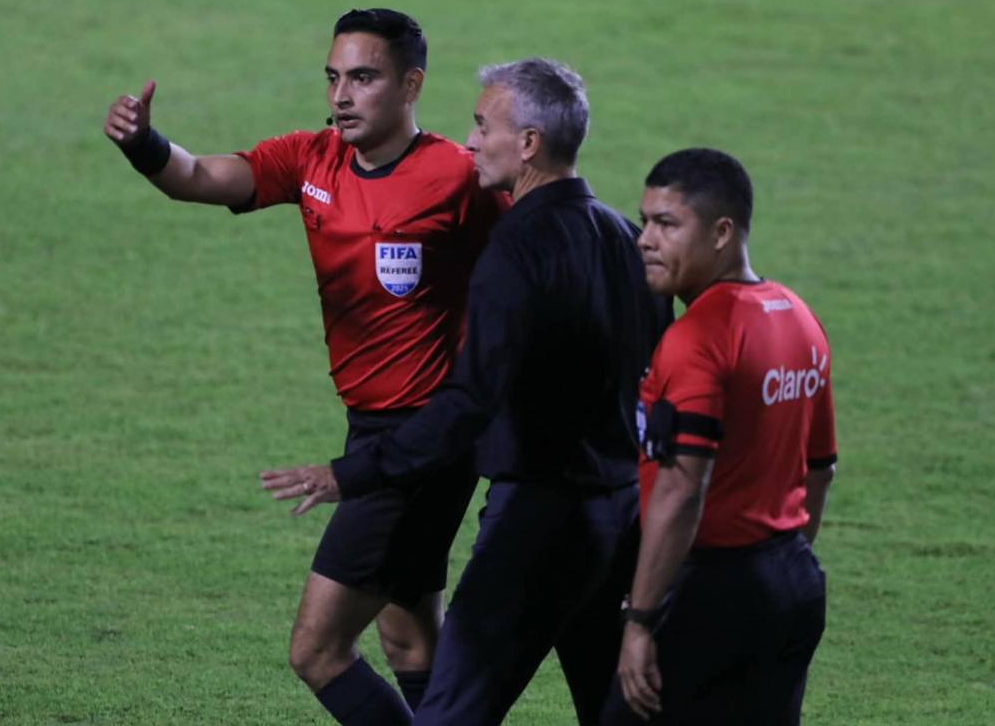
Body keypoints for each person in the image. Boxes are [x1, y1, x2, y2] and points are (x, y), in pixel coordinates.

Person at [104, 8, 506, 725]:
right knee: (409, 639)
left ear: (411, 84)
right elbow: (199, 176)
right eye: (333, 78)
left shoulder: (456, 177)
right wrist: (144, 143)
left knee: (317, 651)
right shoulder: (312, 158)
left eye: (363, 78)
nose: (341, 95)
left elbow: (547, 240)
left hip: (422, 442)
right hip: (373, 428)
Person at [262, 57, 672, 725]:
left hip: (537, 520)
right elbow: (656, 381)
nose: (471, 142)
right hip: (621, 519)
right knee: (612, 711)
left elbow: (469, 401)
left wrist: (353, 472)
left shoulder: (514, 245)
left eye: (483, 126)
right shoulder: (626, 238)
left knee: (453, 713)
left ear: (530, 143)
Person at [601, 148, 837, 725]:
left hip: (713, 588)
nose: (644, 240)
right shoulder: (797, 316)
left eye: (667, 224)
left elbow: (682, 491)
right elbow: (820, 466)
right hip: (793, 579)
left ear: (721, 233)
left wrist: (641, 621)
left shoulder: (697, 339)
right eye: (645, 220)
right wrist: (784, 562)